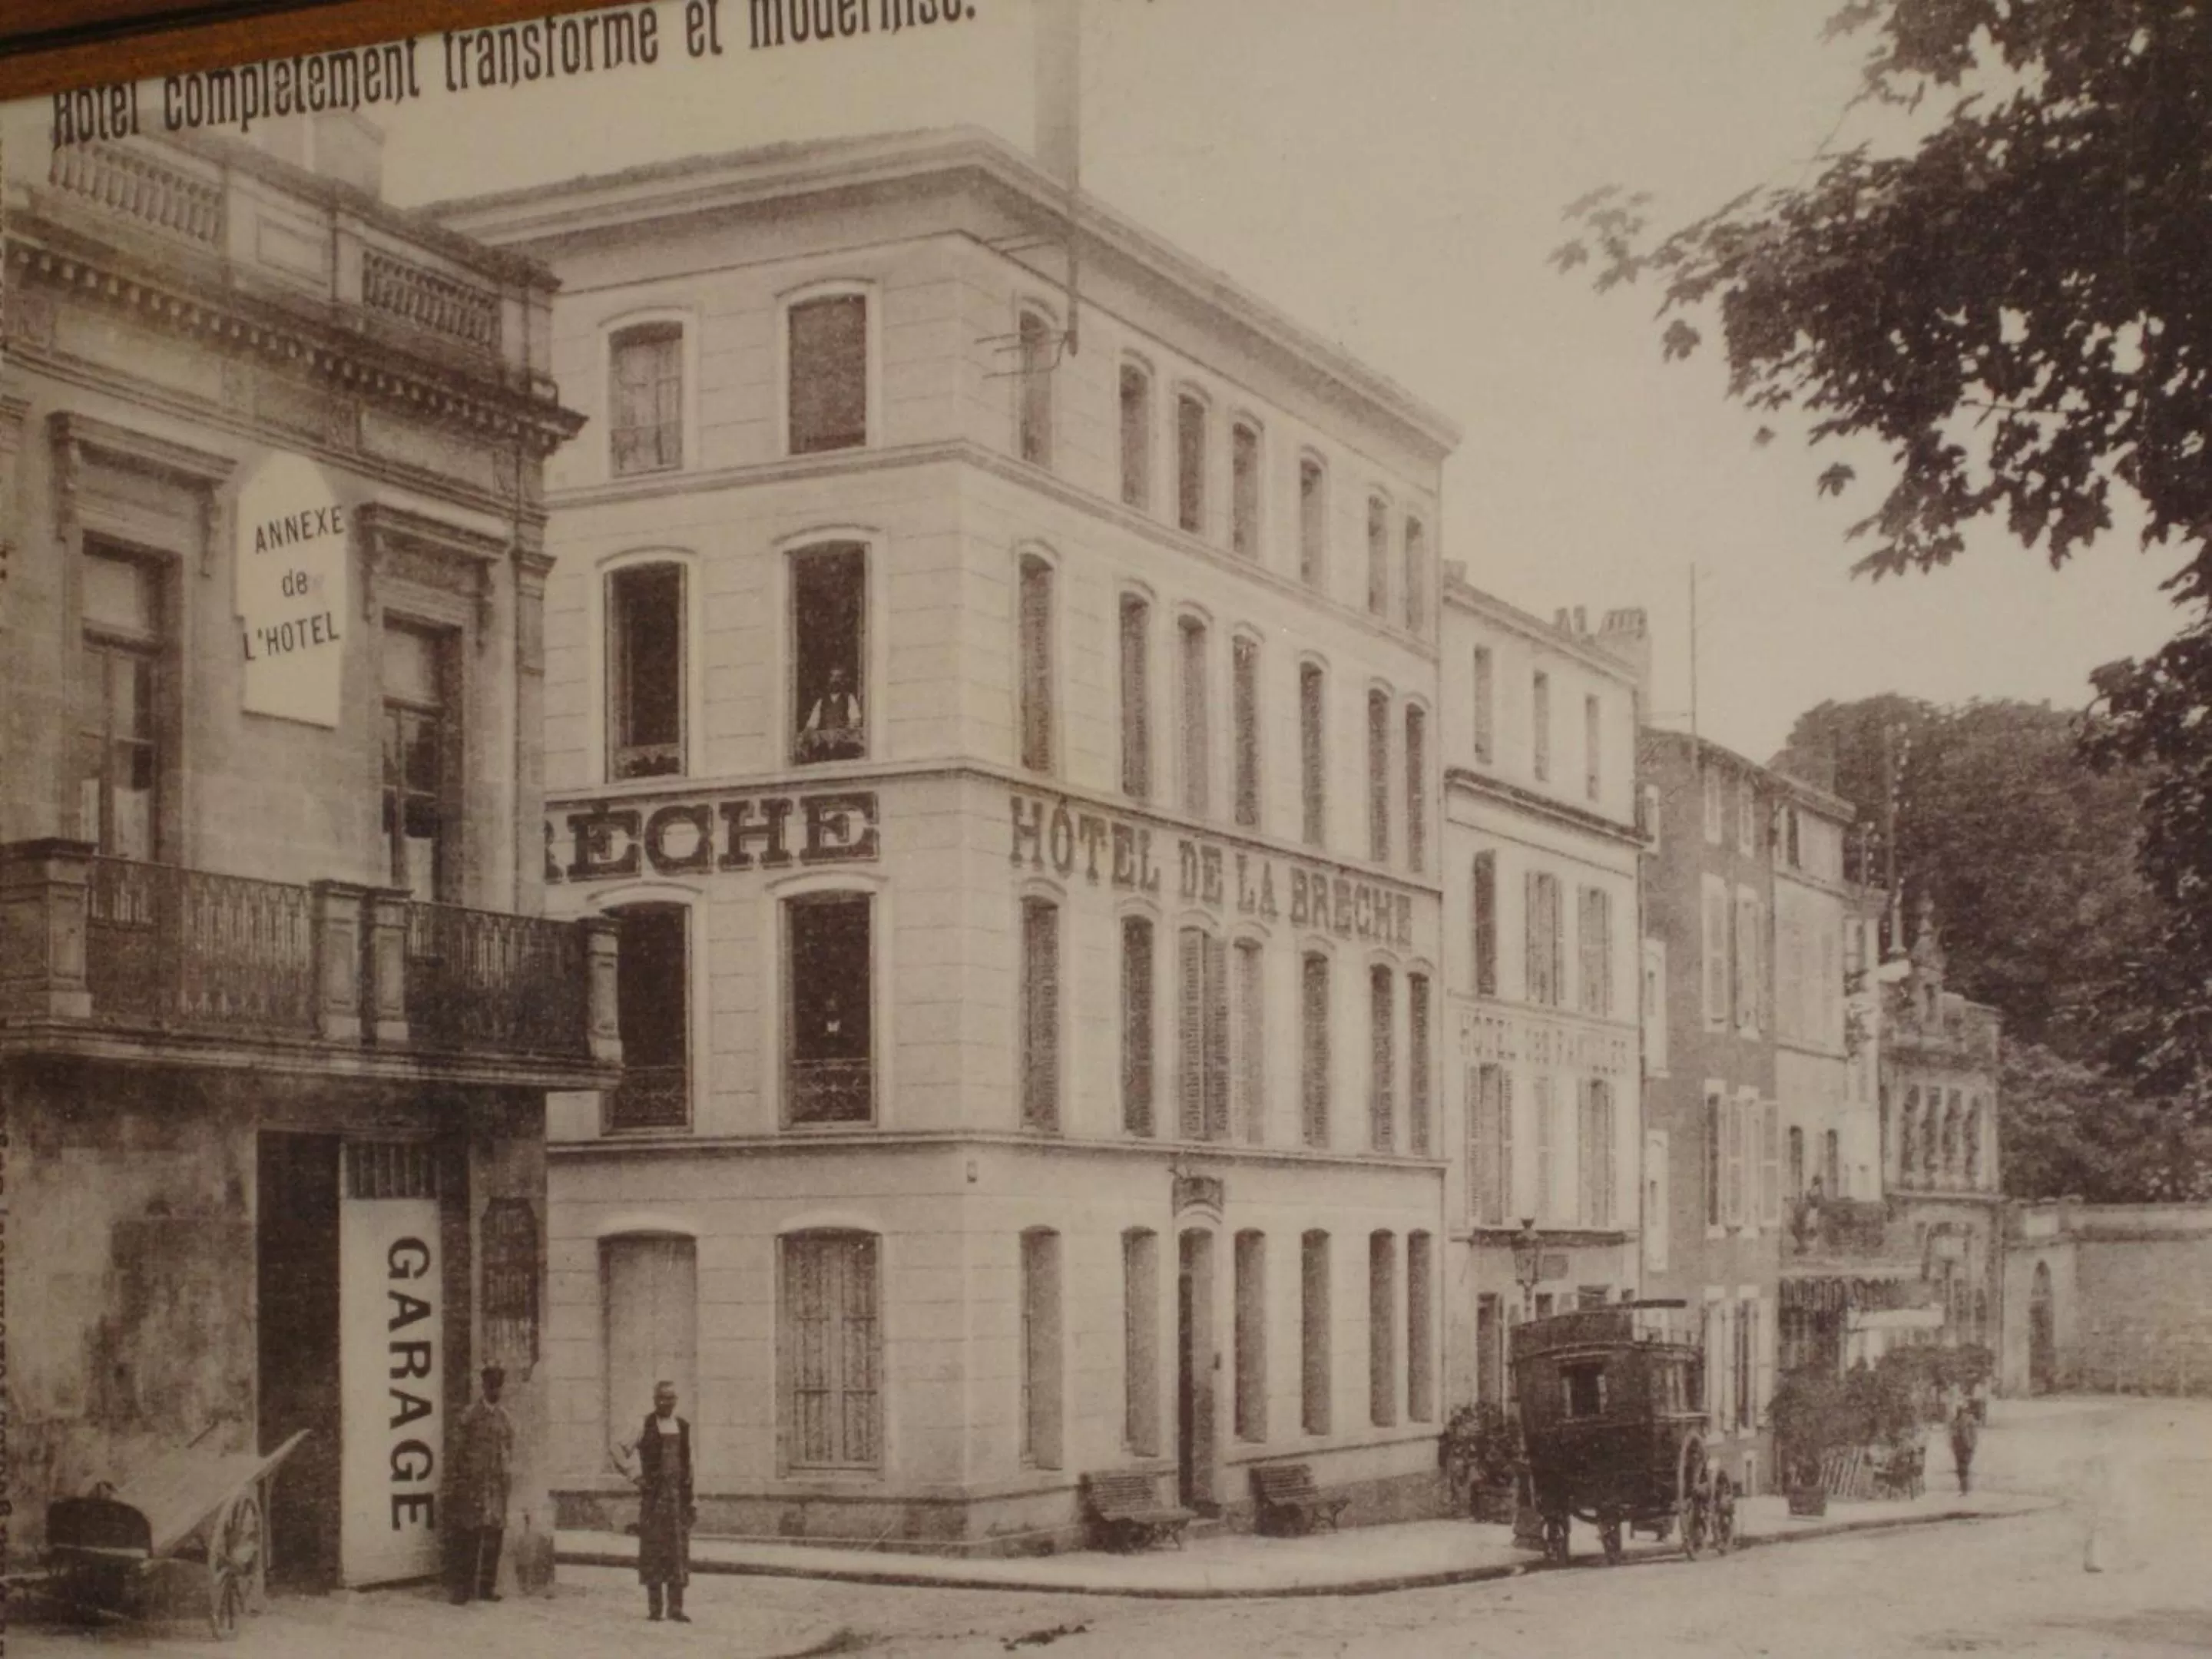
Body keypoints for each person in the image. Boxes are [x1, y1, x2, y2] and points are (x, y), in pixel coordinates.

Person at [449, 1366, 515, 1604]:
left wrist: (505, 1477)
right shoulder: (470, 1416)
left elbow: (509, 1449)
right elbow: (457, 1451)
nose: (495, 1391)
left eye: (499, 1386)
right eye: (491, 1386)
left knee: (494, 1537)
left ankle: (487, 1588)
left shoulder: (504, 1418)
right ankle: (463, 1590)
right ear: (484, 1386)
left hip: (496, 1486)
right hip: (473, 1485)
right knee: (469, 1536)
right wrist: (461, 1481)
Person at [635, 1381, 694, 1622]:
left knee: (678, 1552)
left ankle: (676, 1608)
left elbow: (689, 1464)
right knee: (653, 1550)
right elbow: (618, 1449)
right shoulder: (645, 1425)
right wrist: (636, 1476)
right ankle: (655, 1608)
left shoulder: (682, 1426)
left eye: (670, 1398)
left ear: (675, 1400)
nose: (666, 1403)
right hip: (654, 1499)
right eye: (661, 1398)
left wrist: (692, 1498)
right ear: (655, 1400)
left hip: (677, 1499)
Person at [1948, 1396, 1979, 1495]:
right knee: (1961, 1467)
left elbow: (1973, 1434)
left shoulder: (1968, 1419)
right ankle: (1964, 1486)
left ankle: (1965, 1487)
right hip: (1960, 1446)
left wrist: (1972, 1444)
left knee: (1963, 1466)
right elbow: (1952, 1433)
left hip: (1965, 1446)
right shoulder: (1955, 1420)